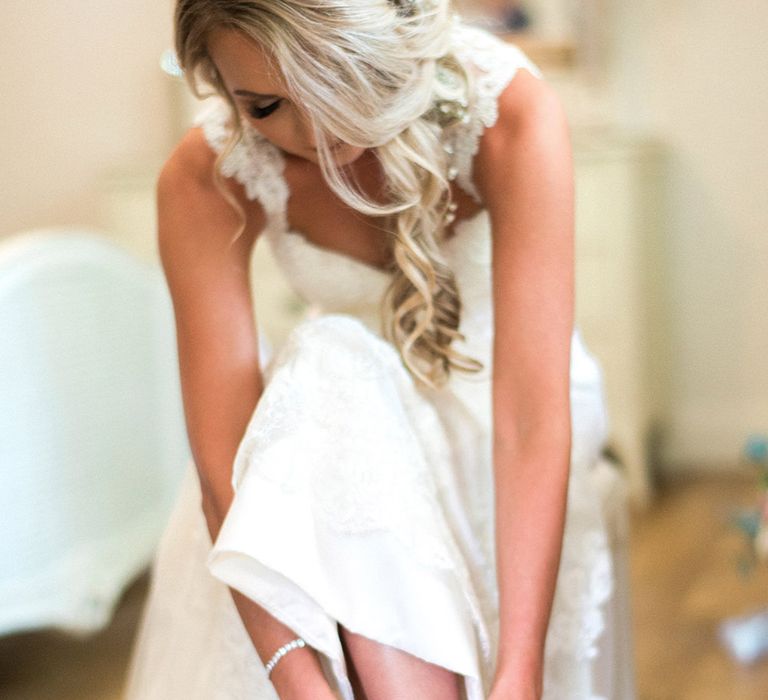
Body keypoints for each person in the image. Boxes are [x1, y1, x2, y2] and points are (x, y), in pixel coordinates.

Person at [124, 0, 616, 698]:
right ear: (217, 86)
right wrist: (298, 682)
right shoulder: (206, 175)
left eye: (334, 74)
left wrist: (520, 668)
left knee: (334, 373)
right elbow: (221, 469)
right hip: (344, 442)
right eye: (266, 105)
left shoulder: (507, 113)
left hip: (506, 424)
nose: (316, 132)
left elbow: (530, 422)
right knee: (328, 360)